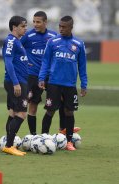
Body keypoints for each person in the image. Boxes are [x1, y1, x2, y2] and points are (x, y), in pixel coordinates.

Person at [38, 16, 88, 151]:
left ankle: (69, 142)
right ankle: (44, 138)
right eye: (60, 26)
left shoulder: (78, 43)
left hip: (70, 85)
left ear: (71, 27)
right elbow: (45, 61)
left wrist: (84, 84)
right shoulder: (52, 42)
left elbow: (82, 66)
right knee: (50, 110)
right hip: (54, 83)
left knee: (69, 112)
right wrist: (42, 78)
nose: (61, 29)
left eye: (64, 27)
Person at [20, 11, 57, 135]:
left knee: (53, 105)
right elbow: (17, 48)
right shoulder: (28, 36)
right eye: (34, 21)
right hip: (33, 74)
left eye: (38, 22)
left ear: (45, 22)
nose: (35, 24)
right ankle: (33, 136)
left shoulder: (53, 35)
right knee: (33, 105)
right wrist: (25, 62)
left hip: (50, 76)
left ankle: (46, 135)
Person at [1, 15, 28, 156]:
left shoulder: (17, 41)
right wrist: (16, 83)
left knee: (13, 112)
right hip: (16, 82)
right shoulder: (11, 40)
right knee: (22, 113)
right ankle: (9, 145)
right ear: (14, 27)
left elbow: (18, 60)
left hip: (19, 80)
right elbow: (9, 62)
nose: (25, 28)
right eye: (23, 26)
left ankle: (8, 144)